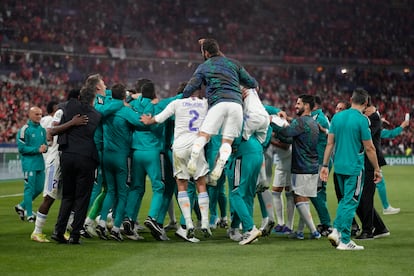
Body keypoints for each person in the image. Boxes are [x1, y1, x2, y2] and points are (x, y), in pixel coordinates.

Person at [183, 38, 258, 182]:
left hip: (218, 103)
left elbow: (191, 87)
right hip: (236, 105)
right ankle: (220, 165)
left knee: (204, 134)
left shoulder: (204, 66)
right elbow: (252, 83)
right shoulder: (234, 64)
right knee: (227, 141)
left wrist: (182, 97)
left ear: (205, 53)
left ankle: (194, 157)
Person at [140, 87, 211, 241]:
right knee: (200, 184)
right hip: (196, 146)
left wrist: (148, 120)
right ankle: (205, 222)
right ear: (198, 91)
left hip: (178, 147)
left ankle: (189, 224)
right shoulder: (205, 103)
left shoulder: (176, 103)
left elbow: (158, 118)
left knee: (181, 185)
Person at [321, 88, 382, 251]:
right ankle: (345, 240)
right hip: (354, 167)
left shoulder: (337, 117)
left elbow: (329, 143)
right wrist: (377, 168)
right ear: (366, 103)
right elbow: (369, 148)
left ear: (351, 99)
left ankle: (336, 230)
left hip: (339, 166)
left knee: (345, 201)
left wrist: (325, 165)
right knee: (351, 202)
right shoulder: (363, 120)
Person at [51, 86, 101, 244]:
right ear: (93, 99)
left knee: (67, 196)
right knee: (82, 198)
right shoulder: (97, 115)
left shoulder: (70, 106)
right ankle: (75, 235)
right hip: (86, 157)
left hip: (67, 155)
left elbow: (61, 106)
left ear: (79, 97)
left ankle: (58, 231)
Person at [271, 95, 321, 240]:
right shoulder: (313, 122)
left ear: (306, 106)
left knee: (299, 198)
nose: (296, 106)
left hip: (302, 166)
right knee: (304, 200)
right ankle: (299, 231)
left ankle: (314, 231)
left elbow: (287, 133)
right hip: (313, 165)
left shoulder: (301, 121)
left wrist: (272, 122)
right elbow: (290, 138)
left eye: (298, 103)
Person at [355, 103, 389, 240]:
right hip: (364, 161)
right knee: (360, 198)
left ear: (369, 108)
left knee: (366, 197)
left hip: (371, 162)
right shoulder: (371, 118)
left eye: (364, 110)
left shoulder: (374, 119)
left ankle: (368, 230)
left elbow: (365, 138)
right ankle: (380, 228)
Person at [15, 106, 48, 222]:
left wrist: (45, 148)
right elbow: (22, 148)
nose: (39, 116)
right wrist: (37, 149)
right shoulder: (24, 130)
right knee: (29, 189)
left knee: (39, 188)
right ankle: (29, 214)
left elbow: (44, 145)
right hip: (29, 164)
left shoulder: (42, 130)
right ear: (30, 115)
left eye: (40, 114)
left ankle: (21, 206)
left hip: (40, 163)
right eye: (36, 114)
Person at [377, 119, 409, 215]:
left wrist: (380, 121)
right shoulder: (375, 130)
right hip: (370, 160)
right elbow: (391, 134)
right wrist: (402, 125)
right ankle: (386, 207)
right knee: (379, 182)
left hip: (361, 159)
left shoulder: (365, 127)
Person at [310, 96, 332, 236]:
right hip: (321, 160)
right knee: (320, 192)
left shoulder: (319, 118)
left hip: (320, 161)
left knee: (314, 192)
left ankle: (327, 224)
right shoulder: (319, 117)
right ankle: (325, 224)